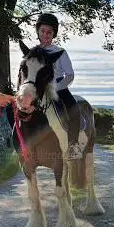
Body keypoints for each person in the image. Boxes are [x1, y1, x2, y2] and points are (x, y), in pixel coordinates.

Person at [35, 12, 82, 159]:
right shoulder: (32, 52)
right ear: (38, 31)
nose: (45, 34)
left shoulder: (60, 52)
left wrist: (56, 87)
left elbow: (70, 75)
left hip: (58, 88)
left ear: (53, 34)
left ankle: (73, 146)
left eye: (49, 32)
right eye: (43, 31)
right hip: (37, 90)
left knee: (74, 111)